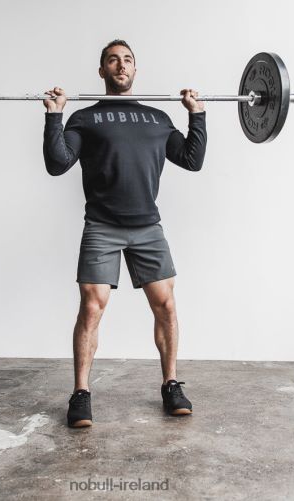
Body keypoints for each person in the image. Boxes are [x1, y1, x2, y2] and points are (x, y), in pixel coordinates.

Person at [43, 39, 207, 428]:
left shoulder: (157, 118)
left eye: (128, 60)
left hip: (147, 226)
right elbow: (57, 163)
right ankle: (81, 393)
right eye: (113, 60)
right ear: (102, 70)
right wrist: (55, 116)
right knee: (92, 306)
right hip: (102, 225)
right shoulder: (85, 118)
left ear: (135, 70)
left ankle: (171, 384)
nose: (121, 65)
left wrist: (197, 115)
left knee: (166, 306)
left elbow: (192, 159)